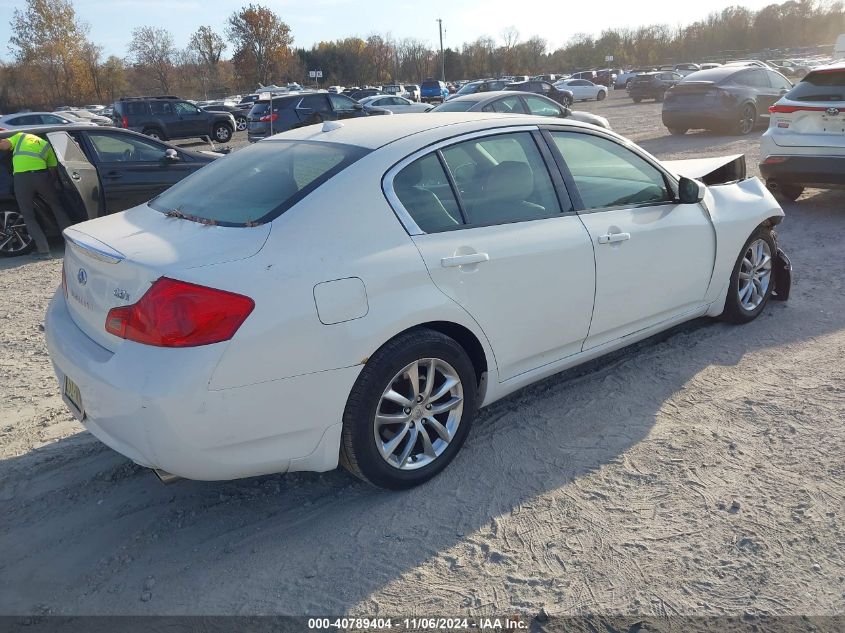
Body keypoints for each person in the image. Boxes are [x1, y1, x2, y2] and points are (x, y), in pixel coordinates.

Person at [0, 132, 73, 258]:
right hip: (41, 176)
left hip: (21, 178)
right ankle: (72, 244)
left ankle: (44, 251)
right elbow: (53, 170)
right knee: (57, 208)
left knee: (28, 215)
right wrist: (48, 183)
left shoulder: (20, 136)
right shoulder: (46, 145)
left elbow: (4, 146)